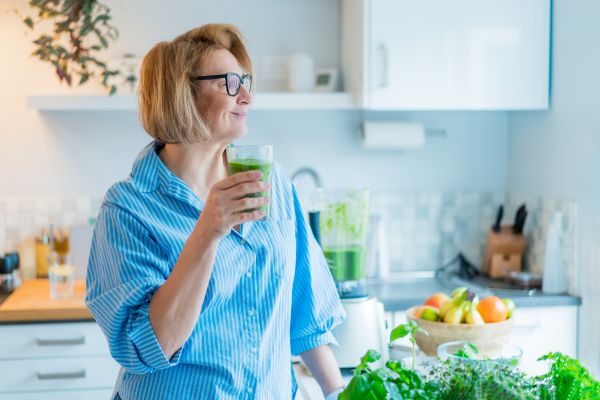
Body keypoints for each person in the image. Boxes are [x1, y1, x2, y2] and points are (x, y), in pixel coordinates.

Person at [86, 23, 346, 399]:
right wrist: (207, 231)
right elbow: (146, 348)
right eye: (228, 82)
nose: (246, 97)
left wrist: (337, 391)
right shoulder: (128, 208)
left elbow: (306, 311)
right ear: (183, 94)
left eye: (246, 81)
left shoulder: (272, 184)